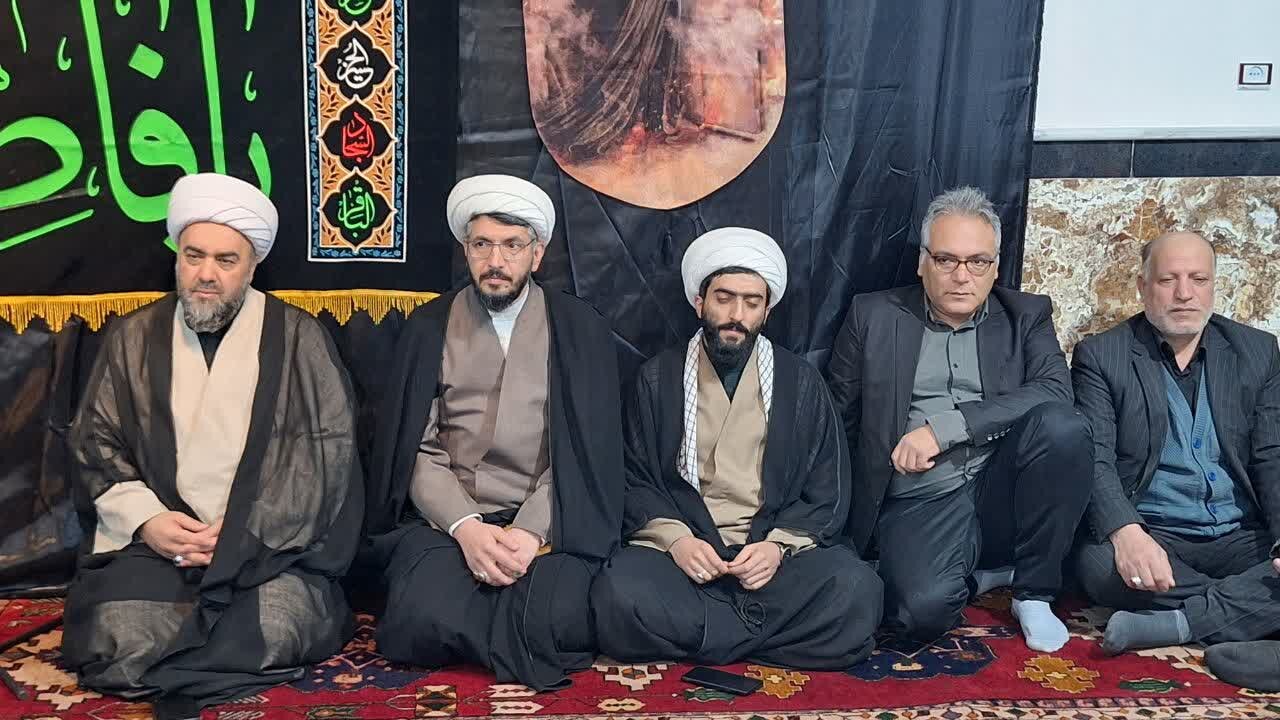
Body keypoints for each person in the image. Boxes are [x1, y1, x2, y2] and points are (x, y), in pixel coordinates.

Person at [62, 173, 364, 720]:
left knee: (280, 623)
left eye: (226, 260)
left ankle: (181, 669)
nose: (207, 274)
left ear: (251, 267)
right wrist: (149, 521)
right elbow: (96, 442)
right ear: (177, 258)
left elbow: (325, 456)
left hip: (264, 550)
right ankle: (214, 668)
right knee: (117, 630)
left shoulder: (297, 337)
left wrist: (245, 532)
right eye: (194, 256)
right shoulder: (133, 337)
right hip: (159, 548)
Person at [365, 174, 624, 690]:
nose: (496, 261)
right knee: (415, 616)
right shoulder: (429, 326)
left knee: (565, 617)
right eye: (482, 245)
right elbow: (416, 448)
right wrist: (466, 527)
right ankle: (513, 637)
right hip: (450, 520)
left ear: (537, 254)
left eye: (512, 246)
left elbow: (587, 452)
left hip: (550, 520)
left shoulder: (579, 328)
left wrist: (529, 532)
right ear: (466, 250)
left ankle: (498, 631)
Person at [591, 227, 882, 669]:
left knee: (857, 590)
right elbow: (633, 478)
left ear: (767, 311)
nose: (736, 315)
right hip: (687, 557)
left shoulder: (801, 382)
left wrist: (777, 548)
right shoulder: (657, 378)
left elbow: (829, 488)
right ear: (700, 302)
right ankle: (761, 636)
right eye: (724, 299)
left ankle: (708, 635)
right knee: (617, 592)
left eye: (751, 302)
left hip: (769, 559)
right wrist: (677, 542)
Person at [827, 186, 1091, 653]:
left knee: (1063, 428)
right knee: (920, 613)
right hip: (920, 498)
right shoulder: (873, 316)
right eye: (946, 259)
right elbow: (837, 420)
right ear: (922, 262)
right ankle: (984, 576)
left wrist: (945, 428)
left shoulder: (1026, 315)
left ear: (995, 267)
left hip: (1002, 487)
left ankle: (1032, 592)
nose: (961, 276)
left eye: (978, 262)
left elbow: (1055, 391)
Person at [1071, 230, 1280, 655]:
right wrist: (1126, 533)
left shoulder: (1258, 351)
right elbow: (1095, 460)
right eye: (1168, 280)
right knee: (1098, 567)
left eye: (1198, 279)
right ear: (1143, 286)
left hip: (1239, 534)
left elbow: (1272, 455)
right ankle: (1246, 615)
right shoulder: (1102, 355)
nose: (1184, 293)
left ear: (1214, 285)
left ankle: (1179, 623)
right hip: (1155, 532)